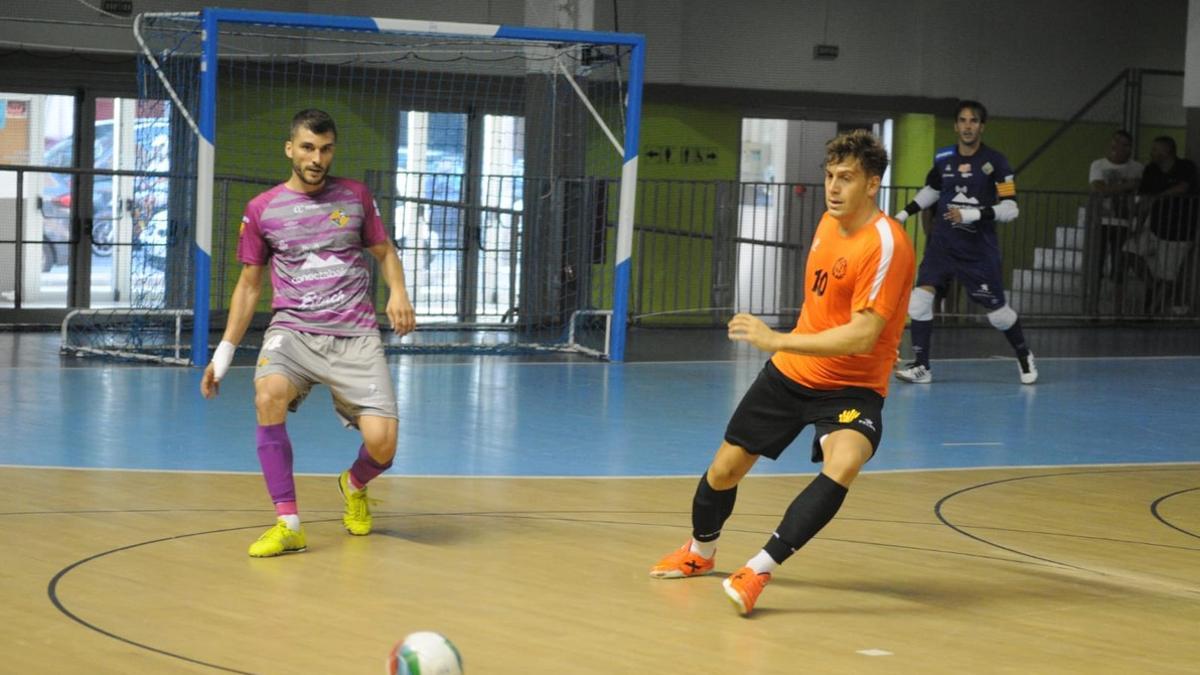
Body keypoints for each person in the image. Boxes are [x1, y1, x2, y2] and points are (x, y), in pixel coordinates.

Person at [648, 130, 915, 617]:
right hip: (792, 375)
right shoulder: (828, 224)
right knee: (725, 468)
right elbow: (824, 307)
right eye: (830, 177)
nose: (834, 188)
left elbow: (861, 336)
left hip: (851, 385)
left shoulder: (886, 244)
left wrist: (776, 339)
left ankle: (758, 569)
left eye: (847, 179)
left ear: (873, 184)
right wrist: (788, 350)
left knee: (845, 462)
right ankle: (699, 552)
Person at [200, 109, 416, 557]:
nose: (317, 158)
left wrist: (398, 292)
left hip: (354, 334)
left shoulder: (355, 196)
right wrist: (222, 356)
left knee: (383, 444)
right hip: (293, 331)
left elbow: (384, 251)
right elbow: (249, 285)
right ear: (290, 149)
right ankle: (288, 523)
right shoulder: (263, 210)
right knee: (267, 393)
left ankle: (353, 484)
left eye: (325, 148)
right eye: (308, 148)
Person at [893, 100, 1037, 385]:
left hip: (978, 251)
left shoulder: (997, 162)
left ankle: (1023, 354)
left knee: (999, 316)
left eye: (973, 121)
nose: (967, 126)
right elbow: (933, 189)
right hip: (943, 245)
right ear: (956, 125)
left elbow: (1011, 208)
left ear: (982, 126)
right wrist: (902, 214)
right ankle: (922, 366)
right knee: (919, 301)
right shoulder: (943, 157)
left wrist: (973, 214)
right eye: (962, 120)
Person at [1087, 130, 1143, 292]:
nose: (1118, 147)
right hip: (1100, 222)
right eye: (1116, 142)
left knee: (1120, 268)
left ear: (1129, 148)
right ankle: (1093, 307)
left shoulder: (1138, 168)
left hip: (1124, 223)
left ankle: (1117, 310)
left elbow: (1140, 191)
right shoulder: (1098, 164)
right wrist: (1127, 186)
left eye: (1124, 144)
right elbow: (1099, 188)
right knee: (1096, 266)